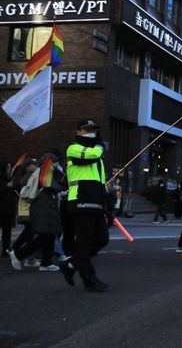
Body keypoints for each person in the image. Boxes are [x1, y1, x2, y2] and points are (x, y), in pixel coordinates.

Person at [59, 119, 111, 292]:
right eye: (87, 129)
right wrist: (100, 145)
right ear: (78, 132)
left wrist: (107, 204)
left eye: (93, 130)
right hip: (80, 199)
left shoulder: (98, 157)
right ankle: (90, 279)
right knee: (84, 242)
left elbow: (101, 181)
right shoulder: (74, 148)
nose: (91, 132)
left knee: (102, 239)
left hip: (96, 201)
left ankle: (71, 263)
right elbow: (92, 155)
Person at [9, 152, 65, 272]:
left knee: (48, 236)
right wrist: (59, 176)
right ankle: (20, 254)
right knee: (45, 237)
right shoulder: (44, 173)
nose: (56, 165)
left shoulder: (38, 171)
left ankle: (45, 262)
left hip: (42, 207)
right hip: (45, 207)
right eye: (54, 162)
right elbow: (53, 186)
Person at [0, 161, 16, 257]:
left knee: (7, 232)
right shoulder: (3, 181)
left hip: (8, 211)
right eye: (8, 167)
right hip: (1, 210)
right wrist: (6, 186)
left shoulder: (8, 179)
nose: (10, 169)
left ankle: (6, 250)